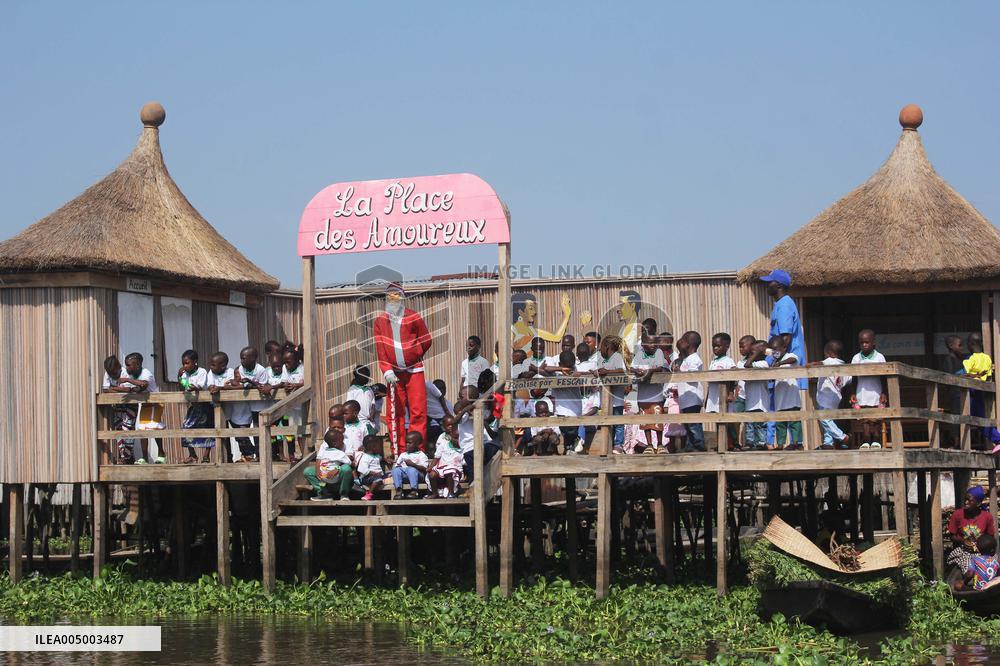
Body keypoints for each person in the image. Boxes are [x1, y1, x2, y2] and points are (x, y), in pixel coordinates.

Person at [373, 282, 432, 454]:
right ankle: (397, 450)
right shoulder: (380, 321)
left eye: (396, 295)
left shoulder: (413, 317)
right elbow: (380, 348)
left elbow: (426, 339)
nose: (392, 299)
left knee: (418, 412)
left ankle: (417, 450)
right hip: (394, 374)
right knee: (395, 413)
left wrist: (415, 353)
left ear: (402, 297)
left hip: (414, 371)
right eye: (389, 296)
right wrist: (387, 370)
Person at [102, 353, 160, 464]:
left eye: (114, 373)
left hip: (130, 404)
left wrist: (114, 388)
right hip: (118, 404)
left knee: (127, 428)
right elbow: (105, 389)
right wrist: (118, 389)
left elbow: (129, 390)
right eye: (110, 374)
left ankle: (126, 458)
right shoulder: (108, 373)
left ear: (118, 368)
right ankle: (128, 456)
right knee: (118, 429)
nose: (112, 375)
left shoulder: (126, 373)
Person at [808, 340, 852, 450]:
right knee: (830, 420)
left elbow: (819, 364)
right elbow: (845, 381)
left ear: (829, 353)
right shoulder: (844, 366)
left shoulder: (830, 361)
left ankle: (843, 437)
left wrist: (809, 365)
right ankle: (828, 442)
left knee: (824, 418)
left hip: (825, 398)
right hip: (836, 398)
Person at [850, 329, 887, 449]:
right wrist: (852, 393)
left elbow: (885, 376)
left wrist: (884, 392)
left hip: (876, 392)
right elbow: (853, 377)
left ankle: (876, 440)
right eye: (861, 343)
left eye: (867, 342)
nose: (864, 345)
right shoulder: (856, 358)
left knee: (875, 419)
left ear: (873, 343)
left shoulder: (879, 357)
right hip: (862, 392)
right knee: (864, 419)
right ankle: (865, 441)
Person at [631, 335, 668, 453]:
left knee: (657, 419)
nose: (653, 345)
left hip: (656, 394)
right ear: (643, 344)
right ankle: (649, 445)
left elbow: (659, 367)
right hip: (643, 395)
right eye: (650, 343)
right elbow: (632, 367)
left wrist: (649, 371)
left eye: (655, 343)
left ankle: (660, 444)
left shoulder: (658, 352)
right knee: (645, 420)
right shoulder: (639, 354)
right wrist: (637, 371)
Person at [947, 486, 996, 574]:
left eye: (970, 500)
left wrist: (981, 546)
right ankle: (964, 583)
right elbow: (952, 536)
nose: (966, 502)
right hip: (963, 551)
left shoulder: (987, 517)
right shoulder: (957, 515)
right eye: (965, 499)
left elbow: (990, 538)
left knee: (993, 566)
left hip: (982, 552)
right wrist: (963, 541)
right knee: (969, 570)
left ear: (978, 503)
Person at [594, 336, 627, 453]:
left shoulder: (617, 357)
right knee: (606, 422)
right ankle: (608, 443)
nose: (600, 349)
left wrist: (607, 372)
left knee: (617, 422)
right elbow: (598, 370)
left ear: (607, 347)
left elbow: (622, 370)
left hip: (616, 398)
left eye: (601, 347)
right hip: (604, 398)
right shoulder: (601, 359)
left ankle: (618, 444)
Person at [673, 331, 706, 453]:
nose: (680, 341)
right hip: (685, 397)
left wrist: (680, 373)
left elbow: (692, 376)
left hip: (693, 396)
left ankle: (698, 444)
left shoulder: (695, 359)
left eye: (683, 340)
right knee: (688, 423)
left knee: (693, 423)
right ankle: (690, 444)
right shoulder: (685, 359)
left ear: (690, 344)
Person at [178, 349, 212, 463]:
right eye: (183, 363)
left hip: (205, 405)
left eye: (187, 363)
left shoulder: (202, 372)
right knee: (186, 427)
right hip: (194, 405)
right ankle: (192, 455)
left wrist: (193, 387)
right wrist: (179, 378)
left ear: (195, 362)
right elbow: (183, 388)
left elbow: (200, 386)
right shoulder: (185, 374)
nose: (185, 366)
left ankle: (206, 456)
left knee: (208, 429)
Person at [769, 335, 803, 451]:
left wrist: (780, 363)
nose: (774, 353)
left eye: (776, 350)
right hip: (780, 400)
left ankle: (797, 443)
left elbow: (794, 360)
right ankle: (780, 444)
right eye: (772, 350)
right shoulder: (774, 362)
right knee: (780, 424)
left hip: (792, 398)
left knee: (794, 423)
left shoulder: (789, 356)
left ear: (784, 348)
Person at [705, 333, 737, 450]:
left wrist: (730, 393)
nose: (715, 349)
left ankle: (731, 443)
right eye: (713, 346)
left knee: (727, 421)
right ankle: (720, 443)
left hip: (723, 397)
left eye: (718, 346)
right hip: (714, 396)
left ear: (726, 346)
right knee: (717, 421)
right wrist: (707, 397)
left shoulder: (728, 361)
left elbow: (733, 377)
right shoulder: (713, 361)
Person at [305, 429, 353, 501]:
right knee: (307, 471)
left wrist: (337, 468)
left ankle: (343, 494)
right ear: (335, 444)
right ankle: (324, 493)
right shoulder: (339, 453)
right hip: (329, 477)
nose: (343, 443)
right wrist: (318, 470)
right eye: (342, 441)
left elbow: (349, 464)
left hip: (329, 476)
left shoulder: (327, 452)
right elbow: (349, 462)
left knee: (346, 469)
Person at [742, 341, 771, 451]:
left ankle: (760, 443)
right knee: (749, 424)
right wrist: (755, 353)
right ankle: (750, 443)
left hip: (760, 401)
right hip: (750, 401)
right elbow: (746, 366)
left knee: (760, 424)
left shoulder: (763, 363)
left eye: (753, 352)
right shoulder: (747, 363)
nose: (750, 354)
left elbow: (748, 365)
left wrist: (758, 353)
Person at [729, 335, 756, 448]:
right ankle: (735, 442)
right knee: (735, 419)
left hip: (752, 396)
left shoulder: (756, 361)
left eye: (743, 347)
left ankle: (750, 442)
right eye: (739, 347)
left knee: (750, 421)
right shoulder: (740, 363)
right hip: (740, 395)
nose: (740, 350)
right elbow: (737, 381)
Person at [428, 415, 464, 498]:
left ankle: (451, 492)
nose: (451, 427)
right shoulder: (442, 438)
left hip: (454, 466)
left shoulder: (460, 438)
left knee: (449, 471)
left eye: (453, 425)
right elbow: (437, 454)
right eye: (448, 425)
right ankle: (434, 493)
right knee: (432, 474)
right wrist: (431, 466)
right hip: (442, 463)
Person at [392, 432, 429, 498]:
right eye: (406, 442)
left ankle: (414, 491)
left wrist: (413, 465)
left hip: (418, 476)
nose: (407, 445)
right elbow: (397, 465)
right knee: (396, 470)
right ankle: (399, 491)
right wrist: (399, 467)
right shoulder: (403, 454)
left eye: (409, 443)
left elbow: (425, 468)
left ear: (417, 443)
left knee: (411, 469)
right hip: (405, 476)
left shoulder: (421, 455)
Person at [355, 434, 388, 501]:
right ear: (373, 447)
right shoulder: (365, 457)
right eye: (379, 446)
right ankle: (369, 494)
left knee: (391, 473)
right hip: (367, 478)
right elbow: (362, 469)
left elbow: (380, 458)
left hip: (378, 475)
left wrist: (386, 459)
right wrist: (373, 473)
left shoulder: (376, 456)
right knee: (377, 480)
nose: (380, 448)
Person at [425, 378, 453, 450]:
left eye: (443, 388)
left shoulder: (449, 404)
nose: (441, 390)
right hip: (431, 427)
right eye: (438, 388)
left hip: (442, 428)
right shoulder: (428, 401)